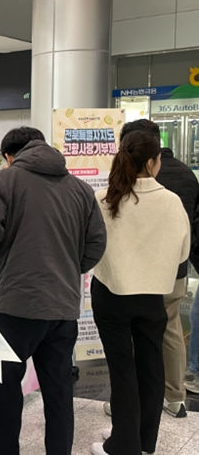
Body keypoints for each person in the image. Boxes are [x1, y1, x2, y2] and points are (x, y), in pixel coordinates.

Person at [0, 126, 107, 455]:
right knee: (59, 391)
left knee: (8, 389)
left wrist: (1, 267)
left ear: (9, 156)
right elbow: (96, 244)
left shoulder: (4, 182)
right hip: (63, 305)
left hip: (15, 305)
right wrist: (68, 267)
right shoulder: (80, 189)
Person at [90, 130, 190, 455]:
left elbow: (91, 247)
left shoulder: (104, 198)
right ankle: (144, 441)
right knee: (151, 365)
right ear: (151, 162)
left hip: (111, 293)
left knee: (122, 368)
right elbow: (183, 252)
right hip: (152, 297)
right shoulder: (171, 202)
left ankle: (123, 442)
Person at [103, 119, 199, 419]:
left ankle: (126, 404)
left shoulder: (114, 189)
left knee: (129, 346)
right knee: (170, 332)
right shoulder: (186, 175)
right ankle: (175, 397)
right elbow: (191, 232)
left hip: (124, 278)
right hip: (171, 273)